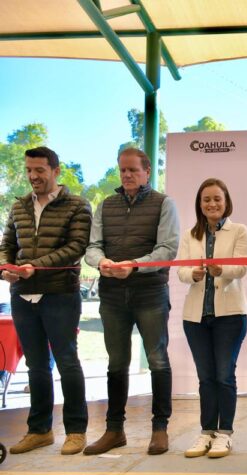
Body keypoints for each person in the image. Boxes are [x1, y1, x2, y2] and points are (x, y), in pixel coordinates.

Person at [84, 147, 180, 455]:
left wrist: (134, 265)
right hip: (112, 295)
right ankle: (115, 430)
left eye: (133, 170)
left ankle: (160, 429)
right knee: (116, 364)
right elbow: (92, 247)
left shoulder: (164, 204)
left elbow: (167, 250)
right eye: (122, 170)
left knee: (157, 360)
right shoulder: (106, 205)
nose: (126, 175)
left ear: (147, 171)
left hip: (150, 293)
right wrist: (102, 263)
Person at [0, 146, 91, 455]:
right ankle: (39, 430)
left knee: (67, 362)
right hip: (22, 296)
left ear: (55, 170)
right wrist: (5, 268)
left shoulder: (77, 205)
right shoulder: (19, 207)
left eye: (39, 170)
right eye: (29, 170)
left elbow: (76, 246)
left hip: (60, 294)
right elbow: (7, 244)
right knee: (36, 366)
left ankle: (76, 431)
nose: (32, 176)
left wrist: (34, 267)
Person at [178, 178, 247, 459]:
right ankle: (207, 431)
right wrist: (192, 274)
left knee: (224, 375)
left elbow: (242, 268)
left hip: (230, 315)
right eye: (206, 199)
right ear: (200, 204)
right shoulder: (190, 235)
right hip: (195, 316)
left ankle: (225, 434)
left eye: (217, 199)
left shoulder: (239, 231)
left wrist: (223, 270)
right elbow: (181, 270)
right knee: (205, 377)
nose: (212, 204)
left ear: (226, 201)